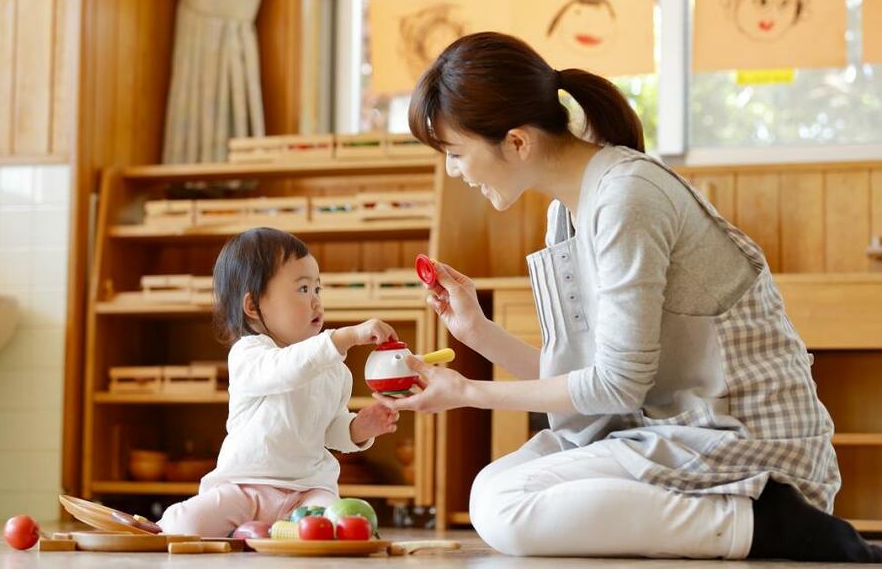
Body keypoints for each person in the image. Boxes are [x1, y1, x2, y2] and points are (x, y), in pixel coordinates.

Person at [374, 31, 882, 562]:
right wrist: (477, 333)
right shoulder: (566, 212)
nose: (455, 171)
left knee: (506, 505)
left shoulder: (626, 196)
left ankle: (763, 523)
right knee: (492, 491)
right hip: (664, 429)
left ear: (517, 141)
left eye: (456, 153)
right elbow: (590, 383)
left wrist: (469, 392)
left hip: (743, 443)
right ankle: (737, 523)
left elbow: (616, 386)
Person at [159, 227, 399, 536]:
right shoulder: (249, 354)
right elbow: (286, 369)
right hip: (244, 487)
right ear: (253, 306)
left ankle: (268, 532)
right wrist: (343, 338)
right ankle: (162, 525)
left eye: (318, 289)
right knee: (185, 525)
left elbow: (328, 430)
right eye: (302, 289)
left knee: (333, 524)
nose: (316, 302)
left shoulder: (333, 370)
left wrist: (357, 429)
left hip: (308, 489)